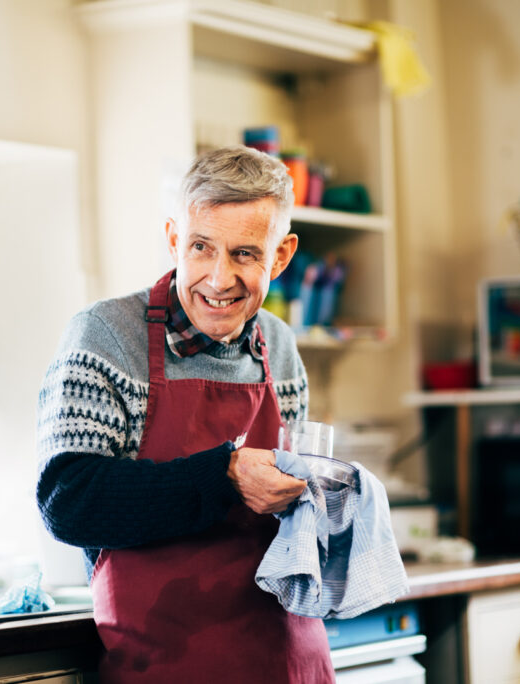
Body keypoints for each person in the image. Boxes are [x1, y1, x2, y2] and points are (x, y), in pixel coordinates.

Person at [36, 145, 334, 682]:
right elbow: (70, 502)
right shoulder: (107, 337)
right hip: (167, 668)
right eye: (201, 247)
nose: (219, 279)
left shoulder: (280, 346)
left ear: (282, 255)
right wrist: (224, 473)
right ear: (174, 238)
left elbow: (293, 528)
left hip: (290, 663)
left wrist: (327, 502)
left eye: (246, 254)